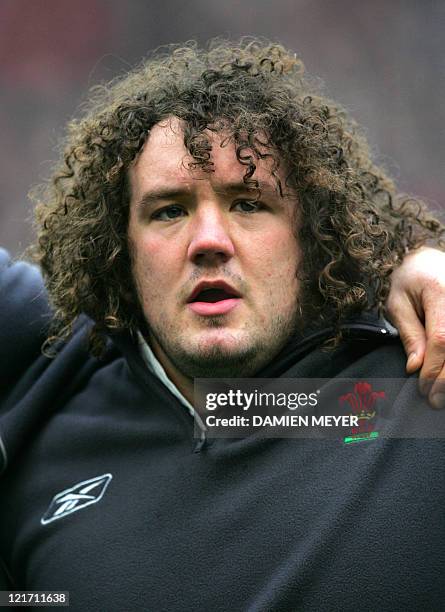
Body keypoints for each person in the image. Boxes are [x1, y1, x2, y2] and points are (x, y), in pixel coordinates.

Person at [1, 39, 445, 610]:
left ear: (312, 236)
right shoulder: (46, 426)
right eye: (169, 211)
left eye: (248, 203)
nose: (209, 241)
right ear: (119, 250)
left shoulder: (418, 392)